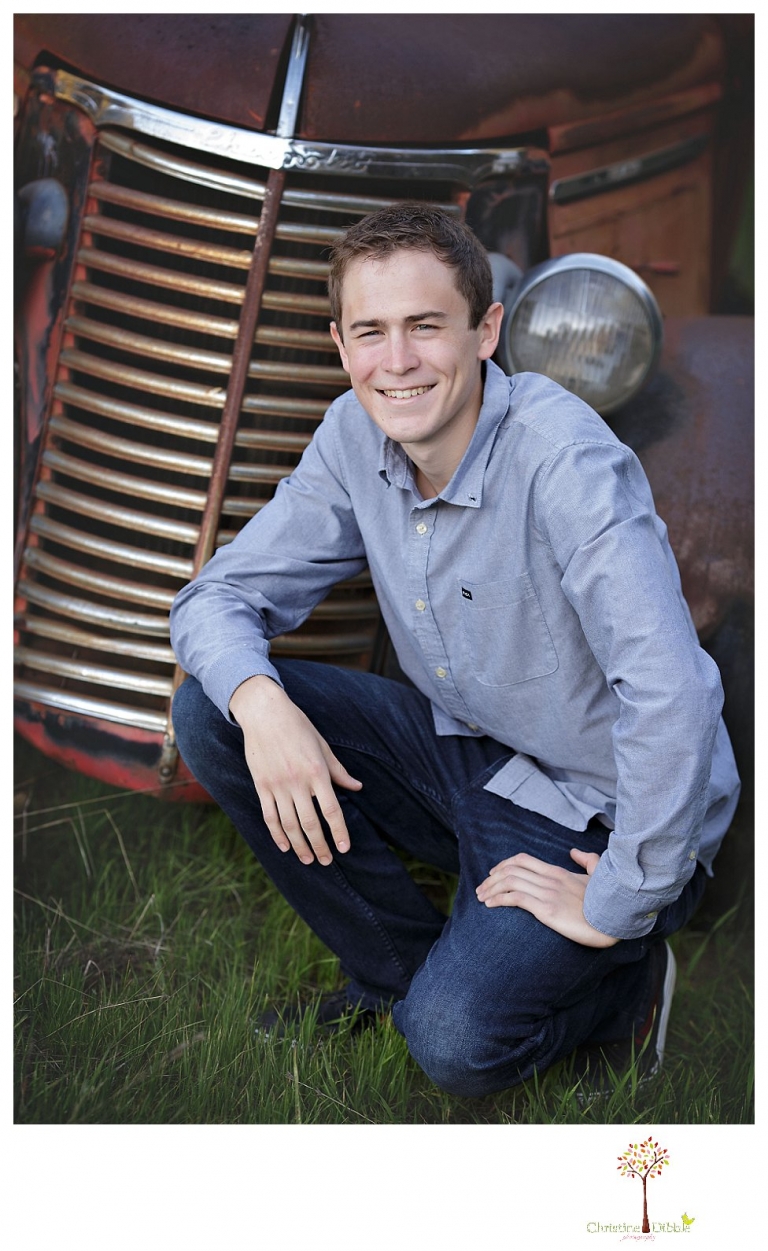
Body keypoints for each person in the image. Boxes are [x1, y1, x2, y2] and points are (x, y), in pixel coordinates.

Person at [169, 203, 740, 1098]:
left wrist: (620, 898)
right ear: (340, 342)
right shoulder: (357, 435)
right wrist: (264, 707)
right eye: (371, 332)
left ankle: (624, 987)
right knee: (215, 708)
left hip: (598, 803)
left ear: (486, 331)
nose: (396, 362)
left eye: (426, 327)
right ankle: (394, 975)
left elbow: (673, 693)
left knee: (457, 1045)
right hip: (469, 748)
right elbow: (217, 598)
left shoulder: (565, 463)